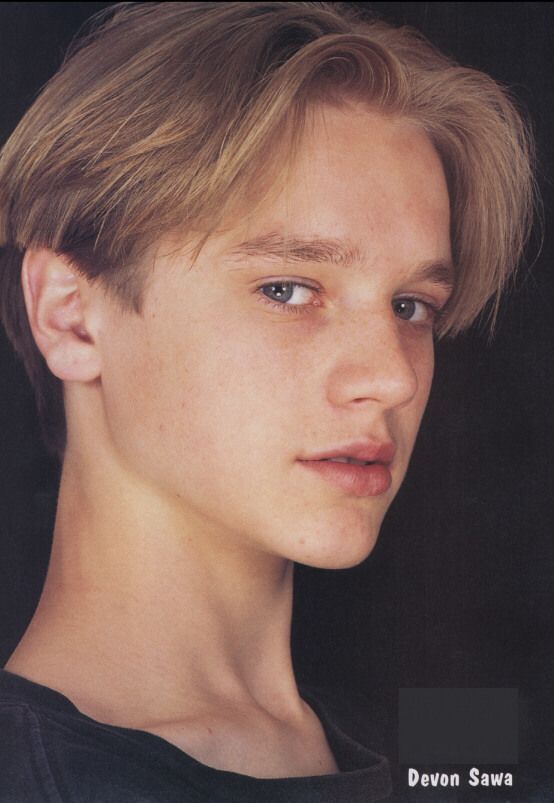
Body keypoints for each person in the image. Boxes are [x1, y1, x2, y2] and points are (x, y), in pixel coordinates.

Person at [0, 2, 535, 800]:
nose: (392, 377)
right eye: (288, 288)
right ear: (71, 315)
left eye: (411, 306)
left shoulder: (460, 749)